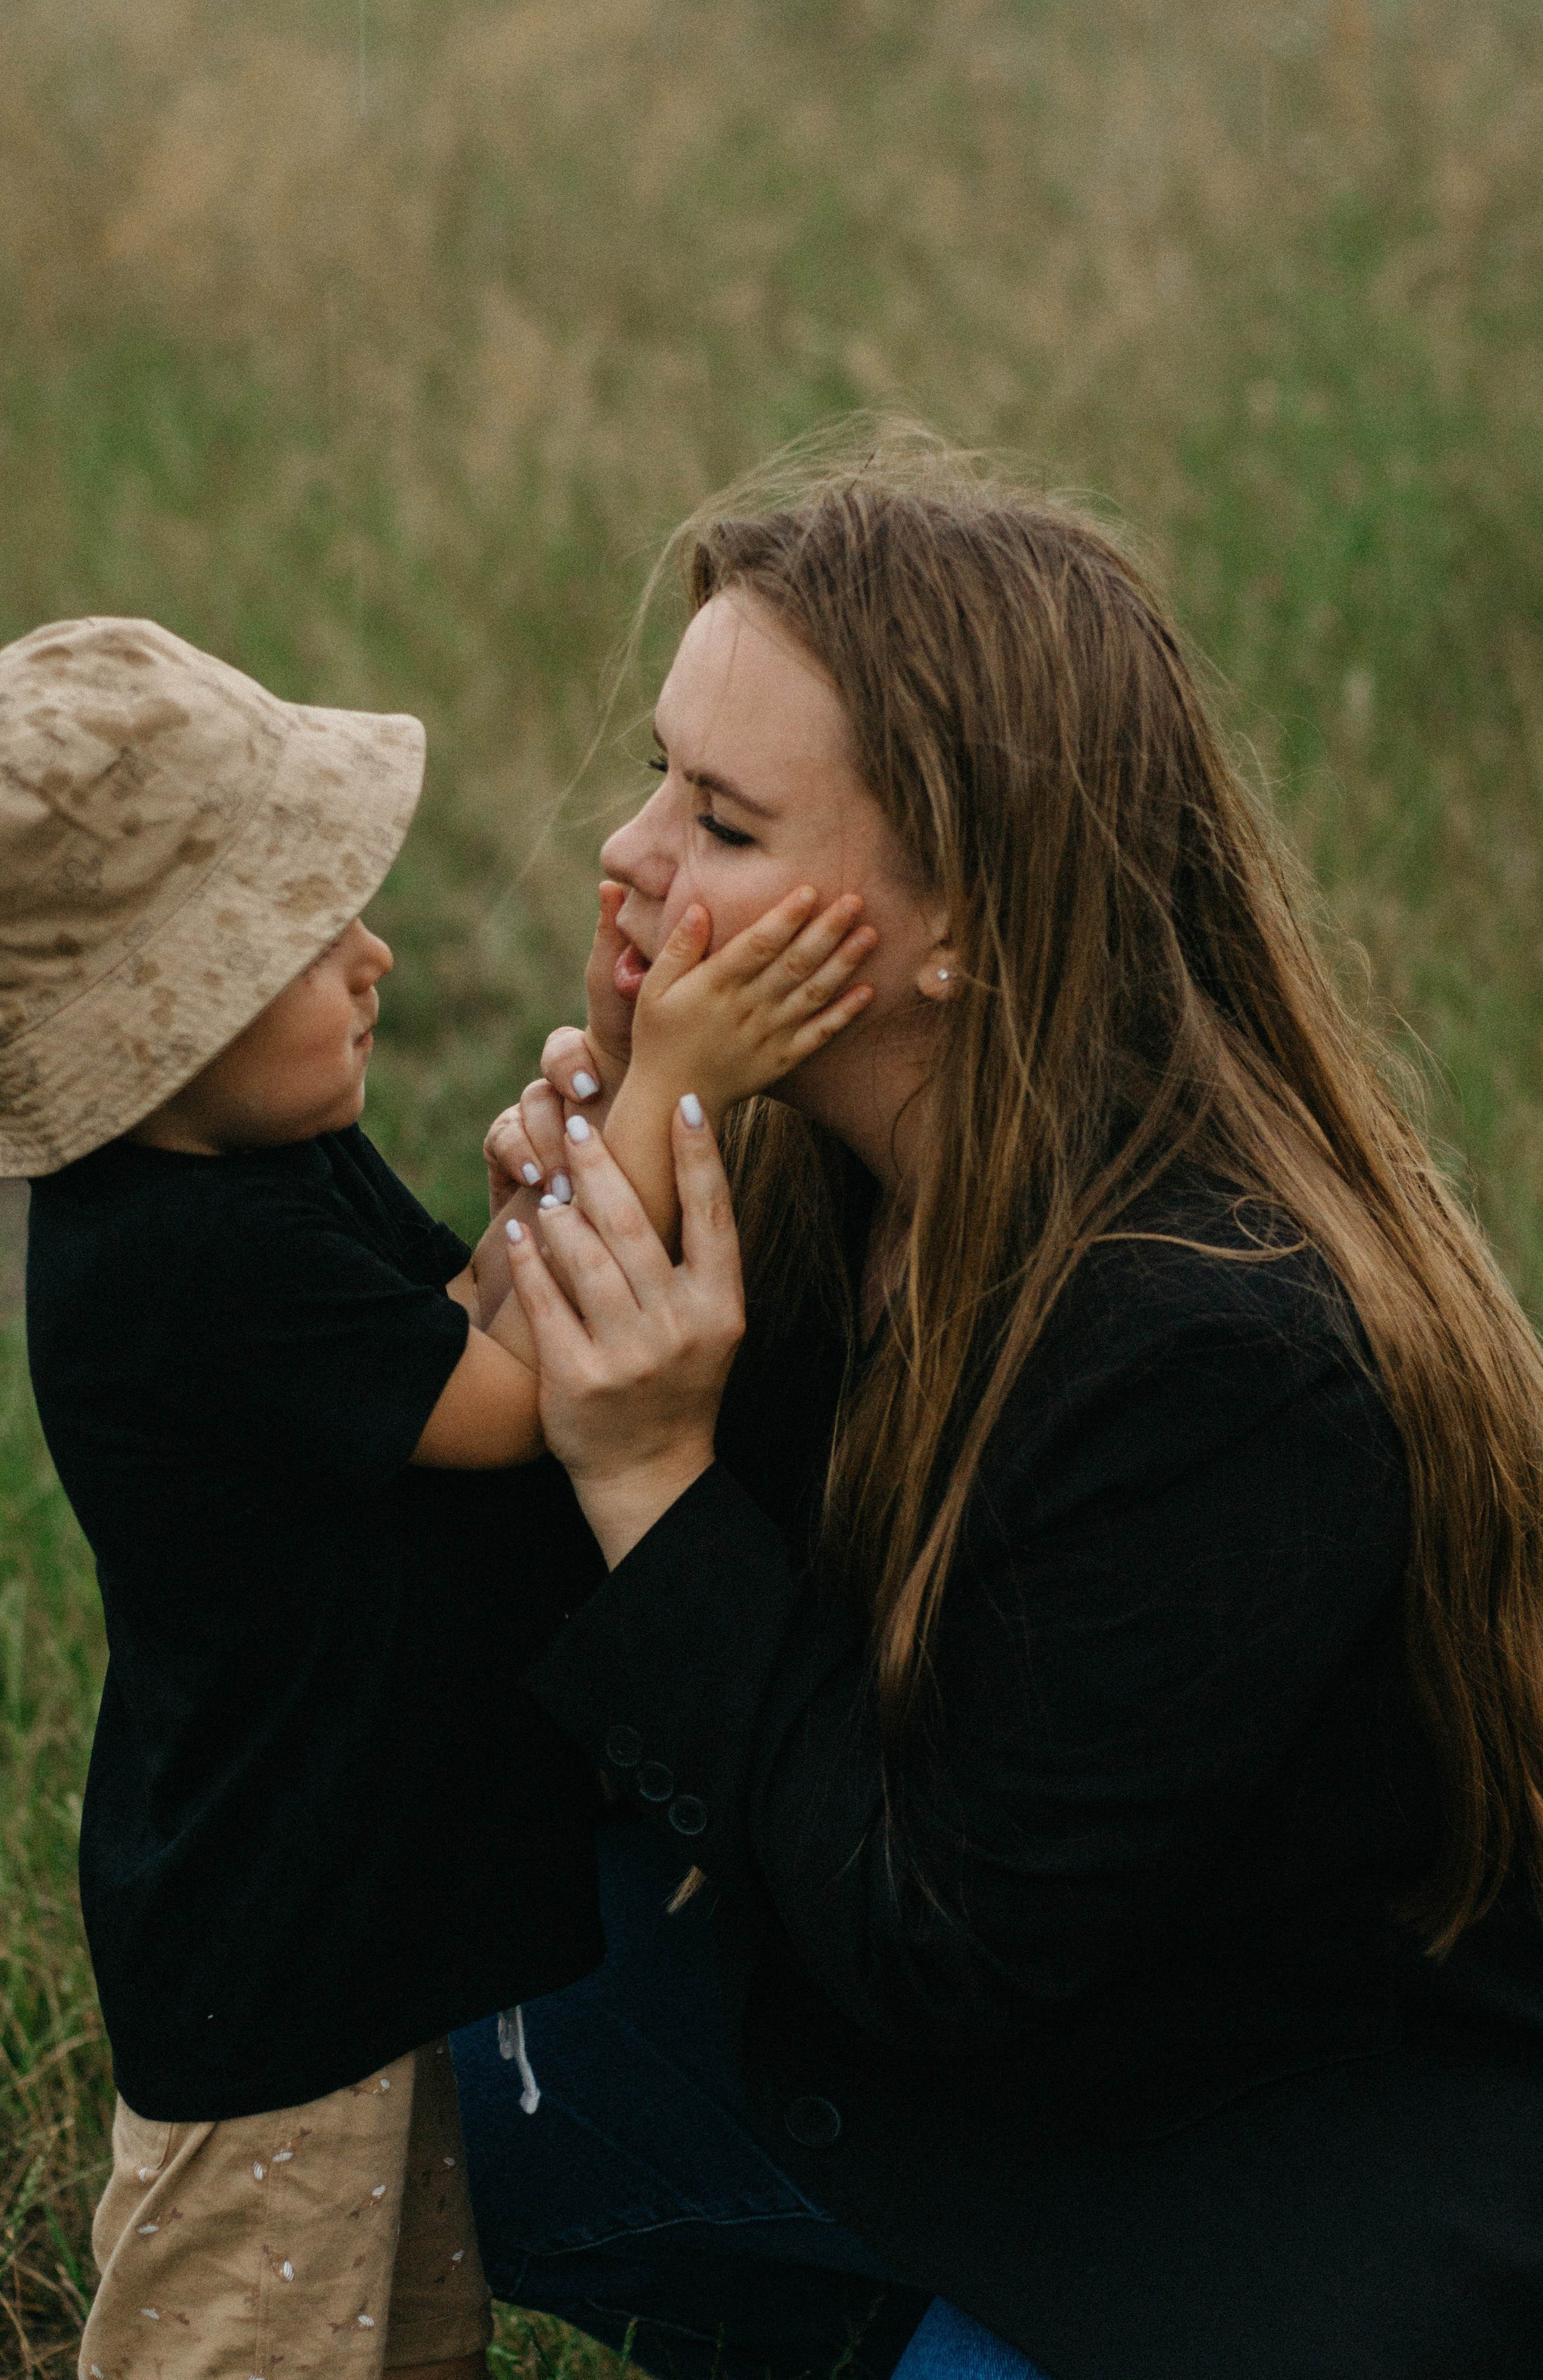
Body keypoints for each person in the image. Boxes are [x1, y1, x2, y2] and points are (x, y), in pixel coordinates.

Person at [461, 433, 1543, 2380]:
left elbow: (942, 1945)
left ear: (962, 926)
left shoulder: (1215, 1352)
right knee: (411, 1990)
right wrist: (555, 1299)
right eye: (657, 779)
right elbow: (533, 1713)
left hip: (1263, 2151)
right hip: (1011, 2038)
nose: (626, 860)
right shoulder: (808, 1180)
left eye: (722, 820)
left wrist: (649, 1471)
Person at [0, 615, 877, 2380]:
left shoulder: (264, 1165)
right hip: (279, 1951)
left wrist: (570, 1162)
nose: (376, 954)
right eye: (309, 940)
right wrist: (664, 1096)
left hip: (363, 1905)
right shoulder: (168, 1263)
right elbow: (512, 1400)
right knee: (242, 2335)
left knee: (400, 2337)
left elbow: (461, 1321)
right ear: (154, 1029)